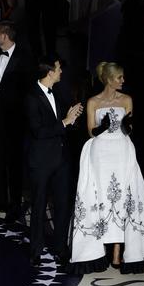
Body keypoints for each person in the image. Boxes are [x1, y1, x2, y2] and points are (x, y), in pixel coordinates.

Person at [69, 62, 144, 274]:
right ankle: (96, 250)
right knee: (101, 200)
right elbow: (90, 132)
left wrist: (126, 125)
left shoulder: (127, 100)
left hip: (122, 152)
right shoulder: (93, 102)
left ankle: (118, 253)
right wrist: (101, 128)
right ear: (108, 79)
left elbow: (129, 130)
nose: (123, 81)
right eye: (119, 78)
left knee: (124, 198)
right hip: (100, 154)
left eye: (123, 77)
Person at [25, 55, 83, 267]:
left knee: (62, 205)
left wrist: (72, 119)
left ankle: (60, 247)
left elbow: (62, 123)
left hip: (61, 159)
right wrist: (65, 122)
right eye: (58, 69)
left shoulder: (57, 92)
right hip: (41, 161)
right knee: (39, 205)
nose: (61, 72)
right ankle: (36, 250)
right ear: (49, 72)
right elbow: (38, 131)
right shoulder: (31, 96)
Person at [0, 19, 33, 222]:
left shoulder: (25, 57)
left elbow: (29, 91)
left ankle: (14, 205)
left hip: (15, 120)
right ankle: (0, 201)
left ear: (4, 35)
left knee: (14, 164)